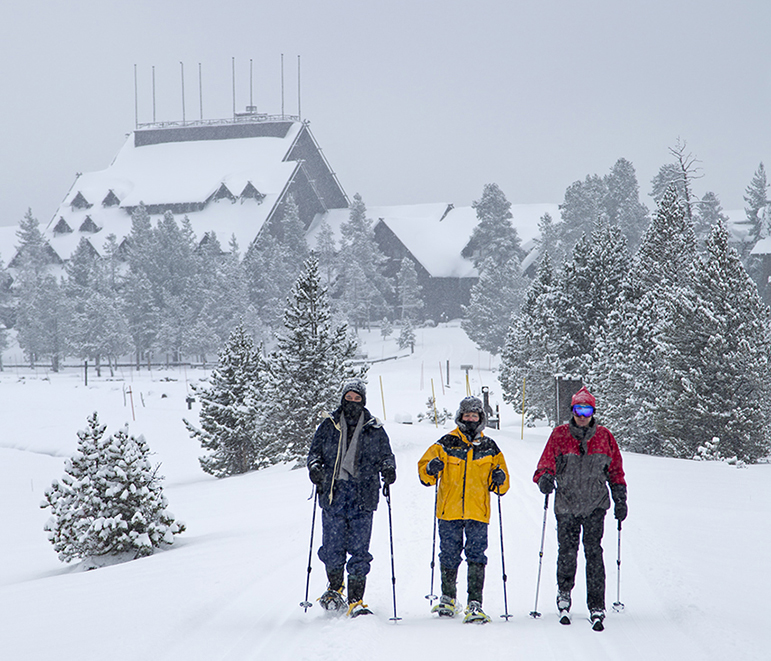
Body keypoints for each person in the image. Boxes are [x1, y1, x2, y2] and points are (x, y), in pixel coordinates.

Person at [533, 386, 627, 631]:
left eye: (586, 410)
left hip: (595, 505)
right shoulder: (559, 435)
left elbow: (616, 471)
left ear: (593, 412)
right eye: (578, 409)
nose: (582, 415)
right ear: (572, 410)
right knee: (567, 551)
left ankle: (597, 603)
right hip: (566, 505)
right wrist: (544, 478)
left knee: (594, 553)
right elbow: (544, 464)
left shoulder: (605, 436)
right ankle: (564, 592)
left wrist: (620, 498)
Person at [306, 378, 396, 617]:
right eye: (349, 397)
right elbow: (314, 453)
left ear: (363, 401)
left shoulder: (375, 428)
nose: (353, 402)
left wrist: (388, 468)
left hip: (363, 495)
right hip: (334, 493)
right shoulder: (329, 425)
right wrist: (315, 467)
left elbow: (386, 455)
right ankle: (335, 589)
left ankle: (356, 599)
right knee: (333, 547)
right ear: (342, 398)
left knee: (359, 549)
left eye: (357, 398)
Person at [418, 396, 510, 623]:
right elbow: (424, 474)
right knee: (449, 554)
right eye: (467, 415)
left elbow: (503, 485)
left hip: (477, 512)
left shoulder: (490, 447)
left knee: (476, 556)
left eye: (474, 415)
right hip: (448, 511)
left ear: (480, 418)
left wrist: (499, 478)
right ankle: (448, 597)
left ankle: (475, 602)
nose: (470, 419)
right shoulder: (445, 443)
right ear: (460, 417)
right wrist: (431, 468)